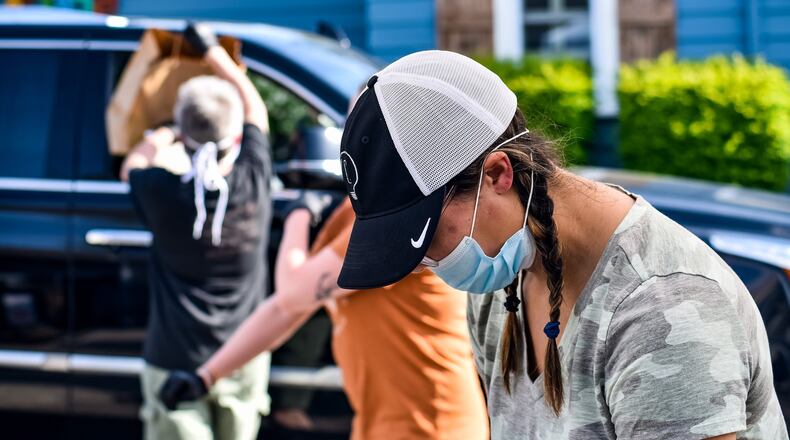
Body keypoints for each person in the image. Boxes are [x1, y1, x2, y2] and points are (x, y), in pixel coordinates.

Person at [332, 50, 789, 439]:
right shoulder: (501, 286)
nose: (421, 265)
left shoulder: (664, 310)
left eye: (426, 234)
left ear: (498, 174)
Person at [157, 103, 490, 439]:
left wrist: (298, 215)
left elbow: (291, 295)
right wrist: (207, 376)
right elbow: (284, 312)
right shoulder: (359, 212)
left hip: (430, 425)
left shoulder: (400, 219)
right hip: (380, 423)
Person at [120, 23, 273, 440]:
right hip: (241, 360)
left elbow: (131, 167)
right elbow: (255, 109)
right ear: (236, 136)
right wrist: (212, 51)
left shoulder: (161, 192)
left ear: (184, 136)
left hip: (174, 359)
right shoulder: (254, 180)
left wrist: (163, 133)